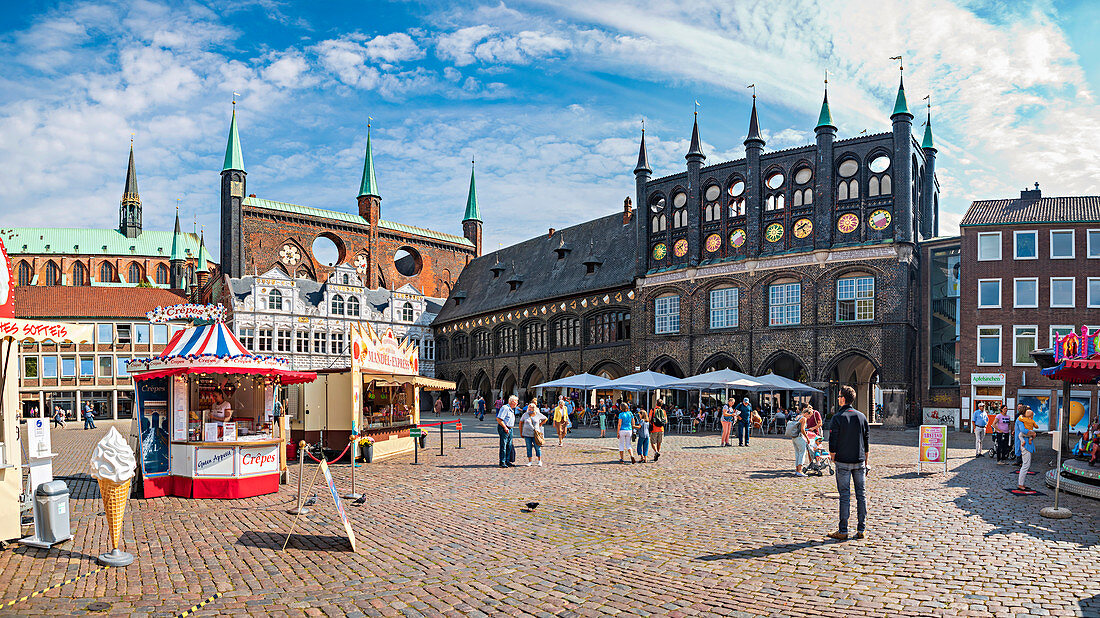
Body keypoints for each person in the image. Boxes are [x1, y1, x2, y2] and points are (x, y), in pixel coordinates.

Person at [827, 385, 869, 541]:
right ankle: (861, 529)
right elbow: (866, 442)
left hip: (843, 462)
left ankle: (843, 530)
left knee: (844, 496)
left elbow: (833, 441)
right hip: (859, 461)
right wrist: (866, 462)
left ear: (843, 399)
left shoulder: (837, 417)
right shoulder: (862, 417)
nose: (838, 399)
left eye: (839, 396)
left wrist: (833, 457)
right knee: (861, 495)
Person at [1016, 406, 1037, 490]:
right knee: (1025, 465)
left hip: (1026, 443)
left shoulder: (1023, 419)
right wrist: (1033, 433)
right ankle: (1020, 484)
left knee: (1026, 464)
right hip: (1025, 444)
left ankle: (1021, 483)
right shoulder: (1020, 420)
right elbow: (1023, 431)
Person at [496, 395, 518, 468]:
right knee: (504, 445)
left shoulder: (511, 409)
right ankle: (502, 461)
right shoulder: (505, 408)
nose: (517, 403)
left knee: (509, 445)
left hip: (510, 428)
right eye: (516, 401)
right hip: (504, 428)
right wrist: (505, 427)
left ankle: (507, 461)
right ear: (512, 401)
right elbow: (499, 419)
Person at [792, 406, 810, 477]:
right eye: (809, 415)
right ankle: (800, 471)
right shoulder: (803, 418)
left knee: (797, 453)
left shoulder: (797, 417)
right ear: (806, 413)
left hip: (794, 437)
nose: (809, 417)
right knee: (802, 453)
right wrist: (807, 438)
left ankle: (797, 470)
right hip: (799, 437)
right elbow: (802, 430)